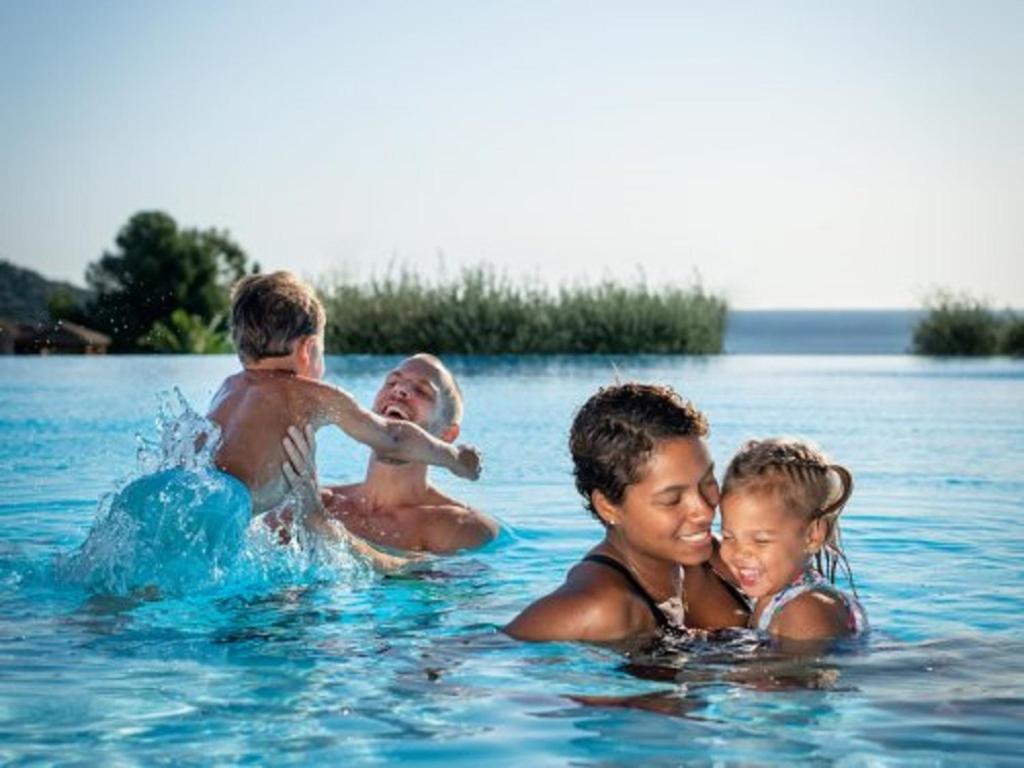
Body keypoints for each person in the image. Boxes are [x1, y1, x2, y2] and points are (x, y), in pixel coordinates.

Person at [208, 272, 481, 519]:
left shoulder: (228, 389)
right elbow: (394, 437)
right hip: (223, 507)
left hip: (185, 489)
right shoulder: (309, 396)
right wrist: (455, 459)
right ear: (308, 348)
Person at [504, 383, 748, 644]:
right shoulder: (600, 610)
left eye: (708, 482)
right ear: (608, 506)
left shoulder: (724, 559)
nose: (704, 511)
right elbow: (486, 654)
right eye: (672, 499)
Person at [281, 354, 499, 554]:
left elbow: (419, 582)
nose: (399, 391)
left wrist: (321, 525)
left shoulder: (459, 525)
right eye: (392, 383)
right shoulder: (314, 501)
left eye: (422, 391)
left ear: (447, 435)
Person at [717, 438, 867, 641]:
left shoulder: (805, 612)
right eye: (728, 536)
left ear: (812, 536)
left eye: (761, 540)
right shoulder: (775, 593)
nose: (739, 553)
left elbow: (780, 671)